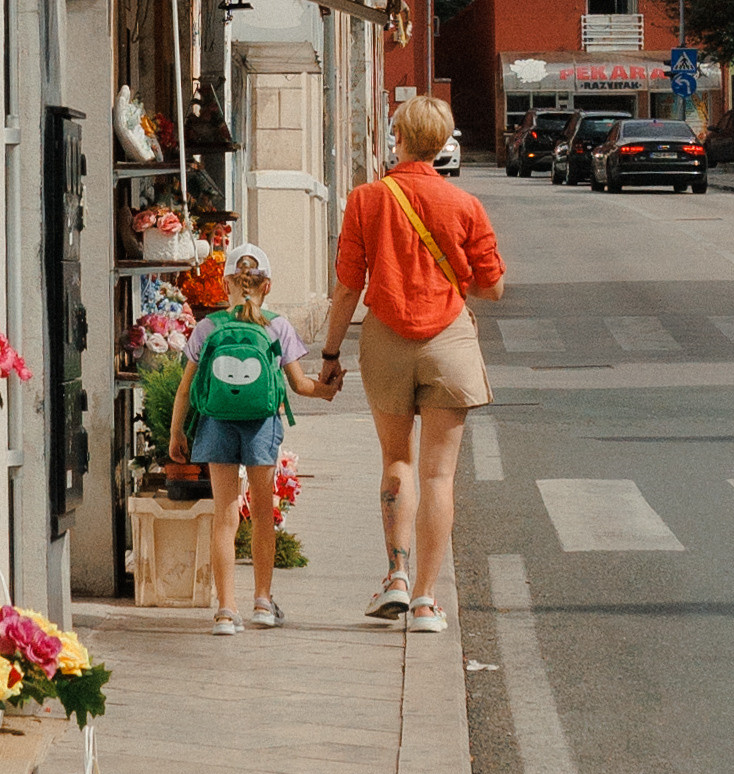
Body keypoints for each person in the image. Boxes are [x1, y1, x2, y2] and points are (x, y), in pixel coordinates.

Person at [318, 95, 506, 635]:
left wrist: (329, 354)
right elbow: (492, 287)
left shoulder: (366, 200)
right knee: (439, 474)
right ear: (444, 142)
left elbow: (349, 285)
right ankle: (426, 601)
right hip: (448, 341)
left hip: (386, 340)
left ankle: (395, 577)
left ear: (395, 136)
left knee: (397, 461)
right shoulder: (465, 205)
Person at [166, 247, 332, 638]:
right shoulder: (277, 327)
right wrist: (326, 391)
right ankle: (262, 601)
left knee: (224, 517)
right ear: (267, 286)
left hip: (216, 424)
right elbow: (299, 385)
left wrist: (177, 432)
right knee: (262, 514)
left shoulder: (208, 327)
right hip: (261, 426)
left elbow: (186, 388)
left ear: (225, 283)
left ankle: (226, 610)